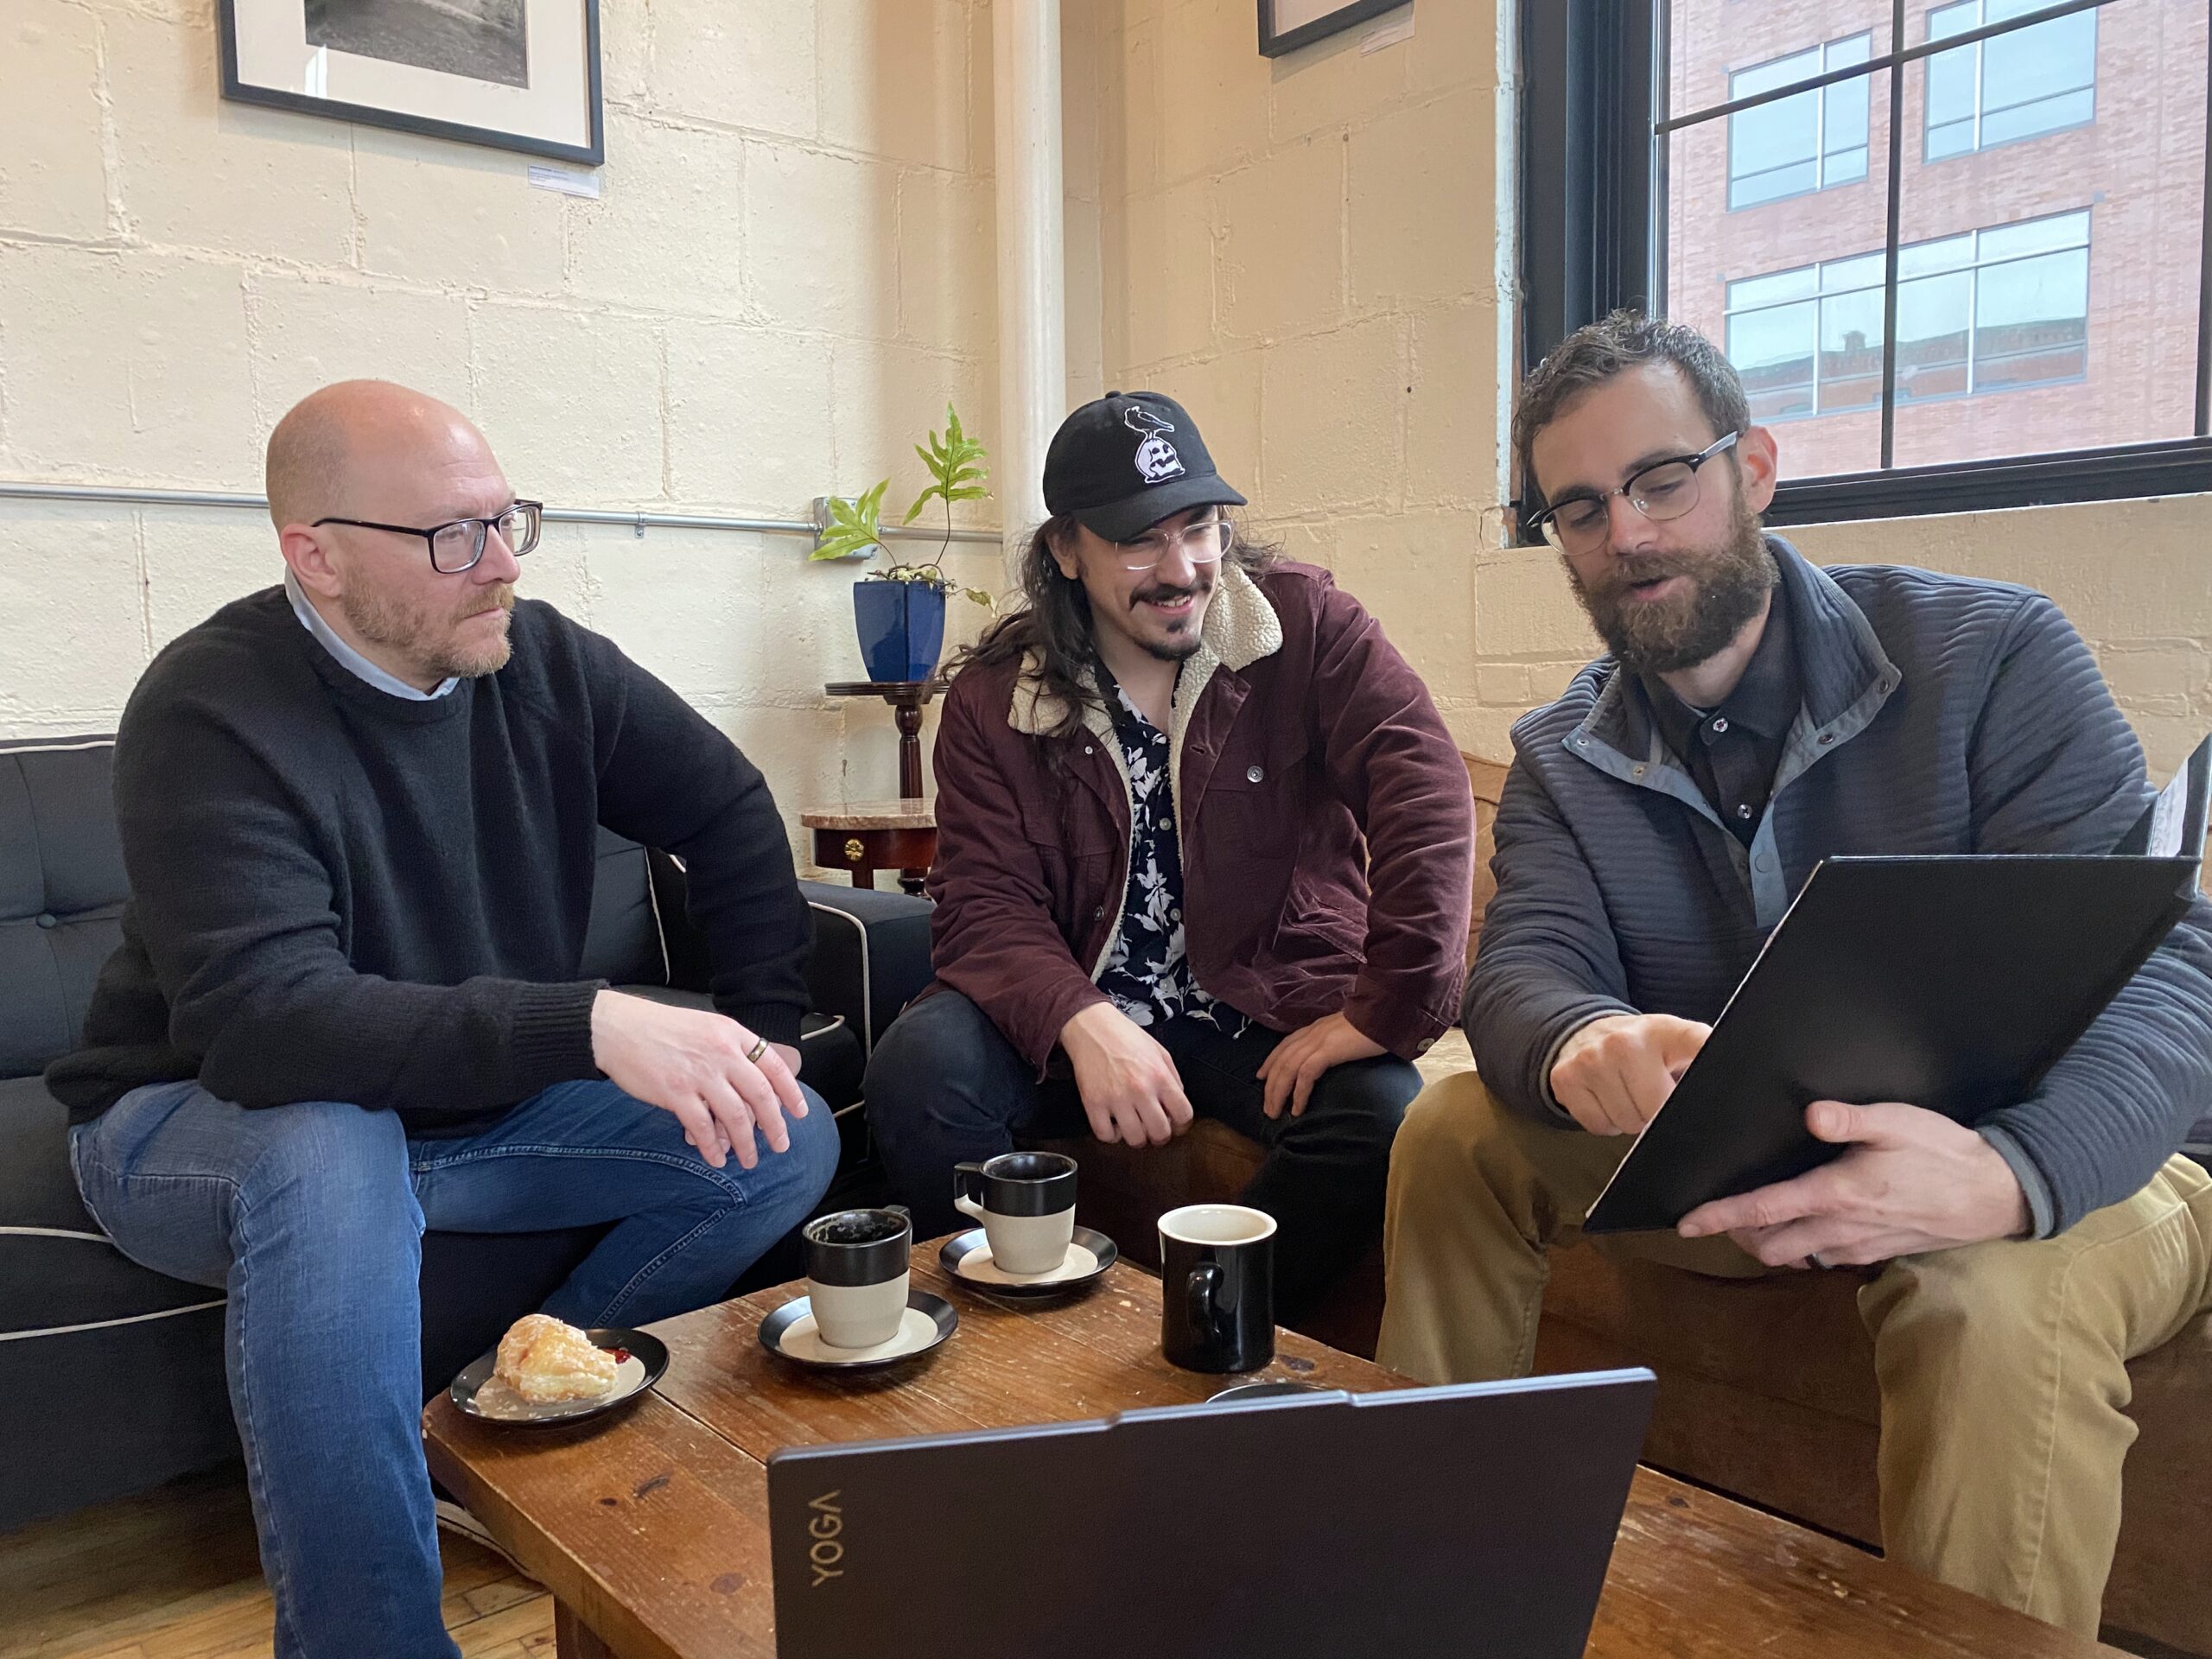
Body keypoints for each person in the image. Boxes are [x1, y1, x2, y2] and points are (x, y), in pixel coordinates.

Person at [1377, 312, 2212, 1636]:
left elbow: (2164, 966)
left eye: (1663, 480)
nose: (1627, 534)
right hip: (1755, 1153)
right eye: (1580, 509)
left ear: (1754, 467)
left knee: (1984, 1292)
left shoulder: (1994, 656)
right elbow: (1526, 962)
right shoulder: (1562, 755)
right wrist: (1582, 1036)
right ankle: (1422, 1572)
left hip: (2064, 1158)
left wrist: (2013, 1175)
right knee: (1454, 1128)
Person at [45, 380, 840, 1658]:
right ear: (318, 556)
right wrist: (590, 1023)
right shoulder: (210, 709)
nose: (503, 564)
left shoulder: (546, 663)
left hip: (454, 1121)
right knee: (331, 1149)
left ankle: (507, 1421)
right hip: (192, 1120)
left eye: (507, 521)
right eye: (453, 536)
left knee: (778, 1131)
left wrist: (763, 1028)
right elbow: (266, 1025)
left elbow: (729, 807)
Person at [862, 391, 1474, 1321]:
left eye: (1199, 527)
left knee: (1383, 1115)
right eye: (1138, 541)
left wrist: (1388, 1004)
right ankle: (1013, 1340)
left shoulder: (1305, 627)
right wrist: (1081, 1018)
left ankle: (1202, 1333)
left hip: (1264, 1000)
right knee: (919, 1069)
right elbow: (984, 902)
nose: (1182, 568)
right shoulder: (994, 698)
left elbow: (1424, 790)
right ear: (1066, 550)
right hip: (1075, 1002)